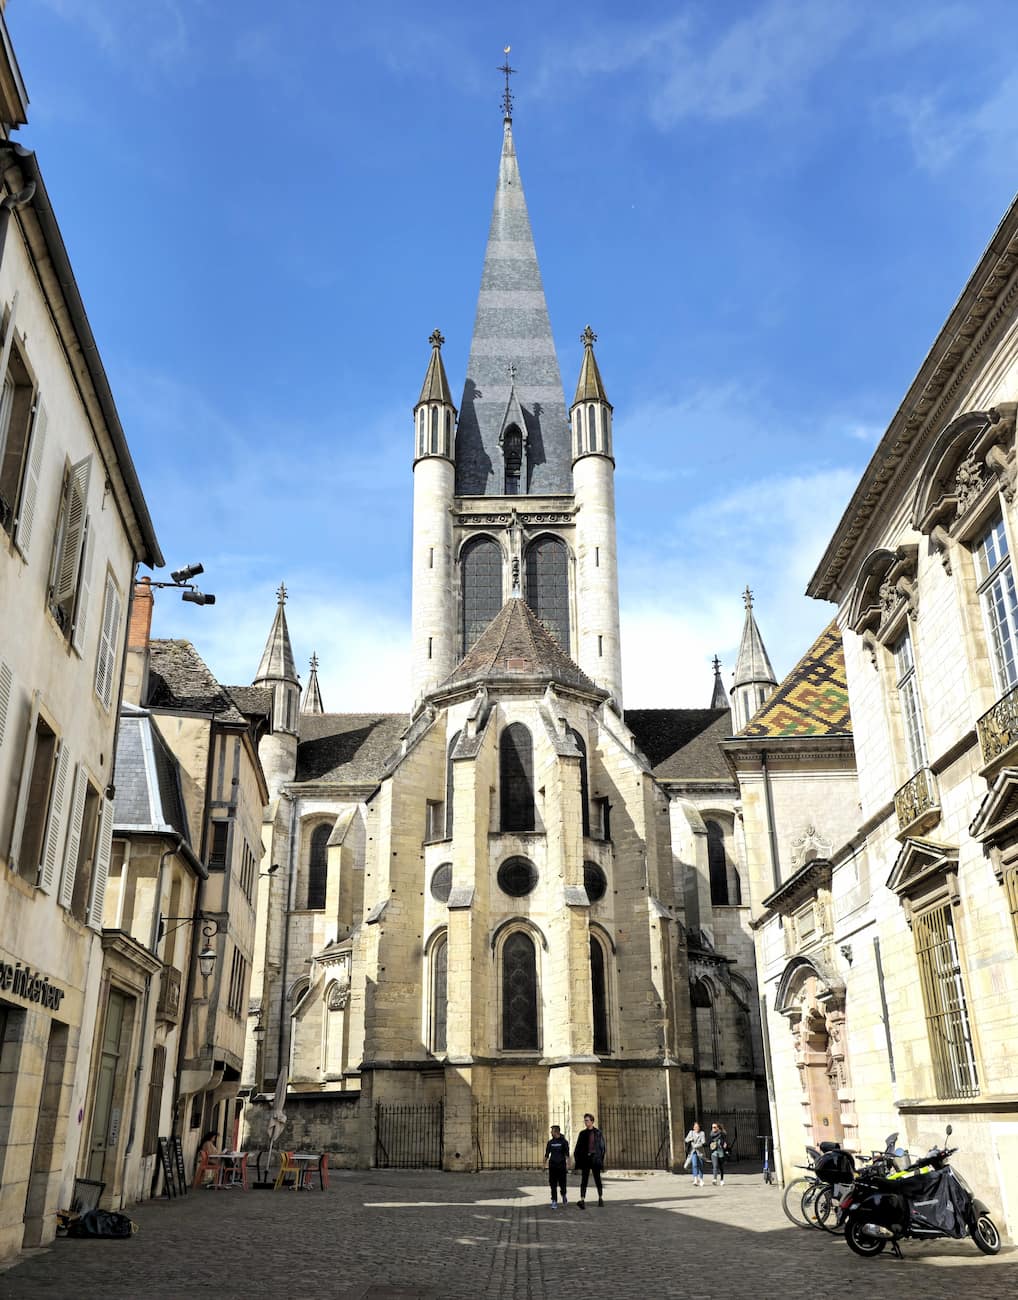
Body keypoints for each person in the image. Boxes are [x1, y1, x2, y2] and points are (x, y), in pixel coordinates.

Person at [572, 1112, 606, 1209]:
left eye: (587, 1120)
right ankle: (582, 1200)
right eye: (585, 1121)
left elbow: (602, 1147)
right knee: (584, 1180)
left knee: (597, 1179)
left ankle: (600, 1198)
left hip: (595, 1159)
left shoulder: (598, 1133)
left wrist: (600, 1160)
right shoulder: (582, 1133)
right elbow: (578, 1147)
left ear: (592, 1121)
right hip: (586, 1159)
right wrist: (577, 1159)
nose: (585, 1122)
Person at [545, 1124, 570, 1208]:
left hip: (562, 1166)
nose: (550, 1132)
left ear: (556, 1132)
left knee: (563, 1183)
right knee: (553, 1184)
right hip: (552, 1166)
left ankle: (563, 1195)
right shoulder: (550, 1142)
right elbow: (547, 1154)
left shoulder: (564, 1142)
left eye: (551, 1131)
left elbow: (567, 1155)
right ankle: (554, 1200)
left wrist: (568, 1164)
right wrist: (543, 1164)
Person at [685, 1121, 706, 1187]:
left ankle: (701, 1179)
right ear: (693, 1127)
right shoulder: (691, 1132)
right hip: (693, 1152)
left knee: (700, 1165)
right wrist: (690, 1139)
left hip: (700, 1152)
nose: (696, 1128)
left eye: (697, 1127)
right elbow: (686, 1140)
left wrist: (696, 1145)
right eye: (695, 1127)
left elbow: (703, 1142)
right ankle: (695, 1179)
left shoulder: (702, 1133)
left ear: (699, 1127)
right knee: (694, 1165)